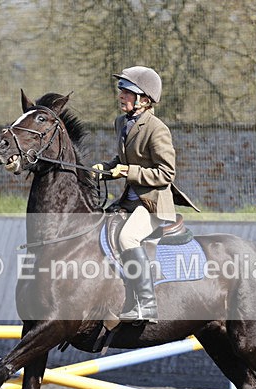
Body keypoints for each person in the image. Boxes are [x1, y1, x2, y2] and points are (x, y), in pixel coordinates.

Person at [93, 66, 200, 323]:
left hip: (152, 202)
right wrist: (105, 169)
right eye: (121, 91)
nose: (120, 96)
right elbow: (123, 159)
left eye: (127, 92)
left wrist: (126, 171)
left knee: (129, 238)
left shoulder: (157, 129)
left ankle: (147, 305)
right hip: (129, 199)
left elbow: (166, 173)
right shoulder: (122, 123)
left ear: (144, 99)